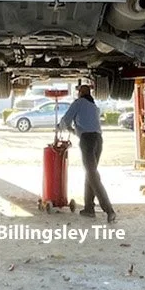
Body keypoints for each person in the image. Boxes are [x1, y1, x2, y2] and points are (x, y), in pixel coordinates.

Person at [58, 83, 116, 222]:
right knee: (90, 172)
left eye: (79, 92)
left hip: (87, 141)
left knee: (92, 175)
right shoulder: (94, 106)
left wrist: (59, 127)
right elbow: (86, 125)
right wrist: (73, 130)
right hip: (98, 140)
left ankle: (109, 210)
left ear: (80, 93)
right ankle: (89, 208)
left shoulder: (78, 103)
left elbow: (66, 120)